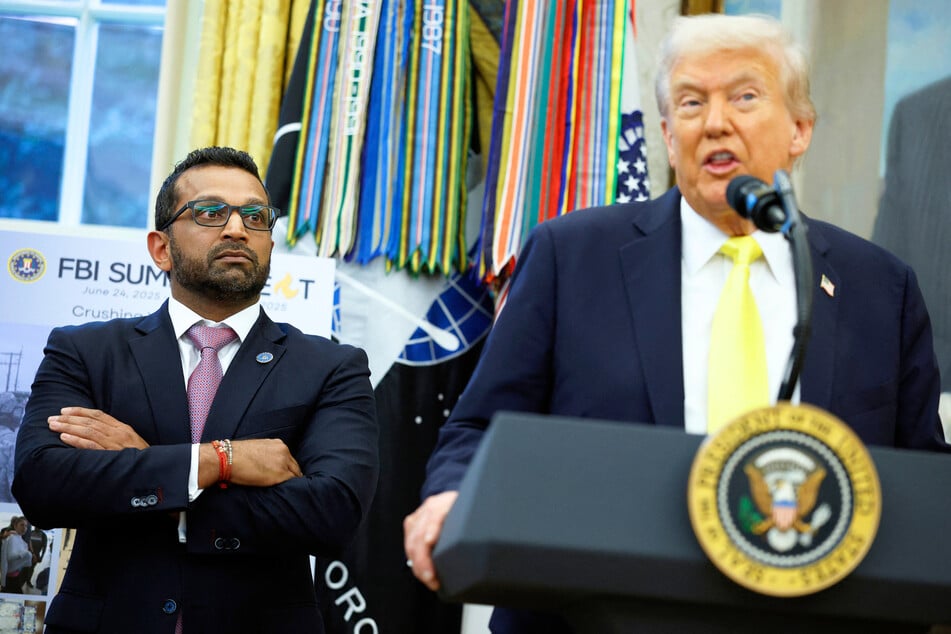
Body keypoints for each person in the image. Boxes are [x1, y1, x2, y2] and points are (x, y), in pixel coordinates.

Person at [403, 13, 949, 634]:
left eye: (745, 96)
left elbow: (921, 481)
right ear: (667, 135)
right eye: (691, 102)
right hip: (597, 614)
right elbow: (476, 428)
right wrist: (452, 496)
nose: (716, 121)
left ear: (800, 129)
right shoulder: (572, 255)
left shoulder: (879, 285)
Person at [13, 146, 379, 632]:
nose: (236, 229)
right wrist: (217, 461)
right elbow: (43, 486)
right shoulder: (87, 352)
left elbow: (333, 515)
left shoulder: (332, 367)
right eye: (210, 213)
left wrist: (144, 463)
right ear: (161, 248)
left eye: (255, 215)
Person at [1, 516, 35, 594]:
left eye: (26, 526)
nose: (24, 528)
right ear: (15, 526)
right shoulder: (12, 538)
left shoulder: (19, 538)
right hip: (10, 576)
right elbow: (10, 557)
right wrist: (26, 554)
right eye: (22, 525)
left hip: (16, 574)